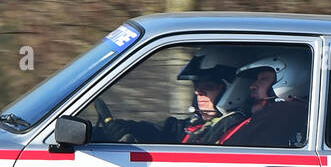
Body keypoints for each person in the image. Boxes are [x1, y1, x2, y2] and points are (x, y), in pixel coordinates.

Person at [95, 47, 244, 144]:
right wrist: (121, 127)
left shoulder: (236, 131)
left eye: (209, 87)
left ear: (234, 90)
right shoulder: (198, 125)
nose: (199, 94)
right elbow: (162, 130)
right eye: (197, 87)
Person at [215, 55, 311, 148]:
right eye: (257, 79)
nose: (252, 86)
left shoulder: (283, 112)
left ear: (290, 80)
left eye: (264, 79)